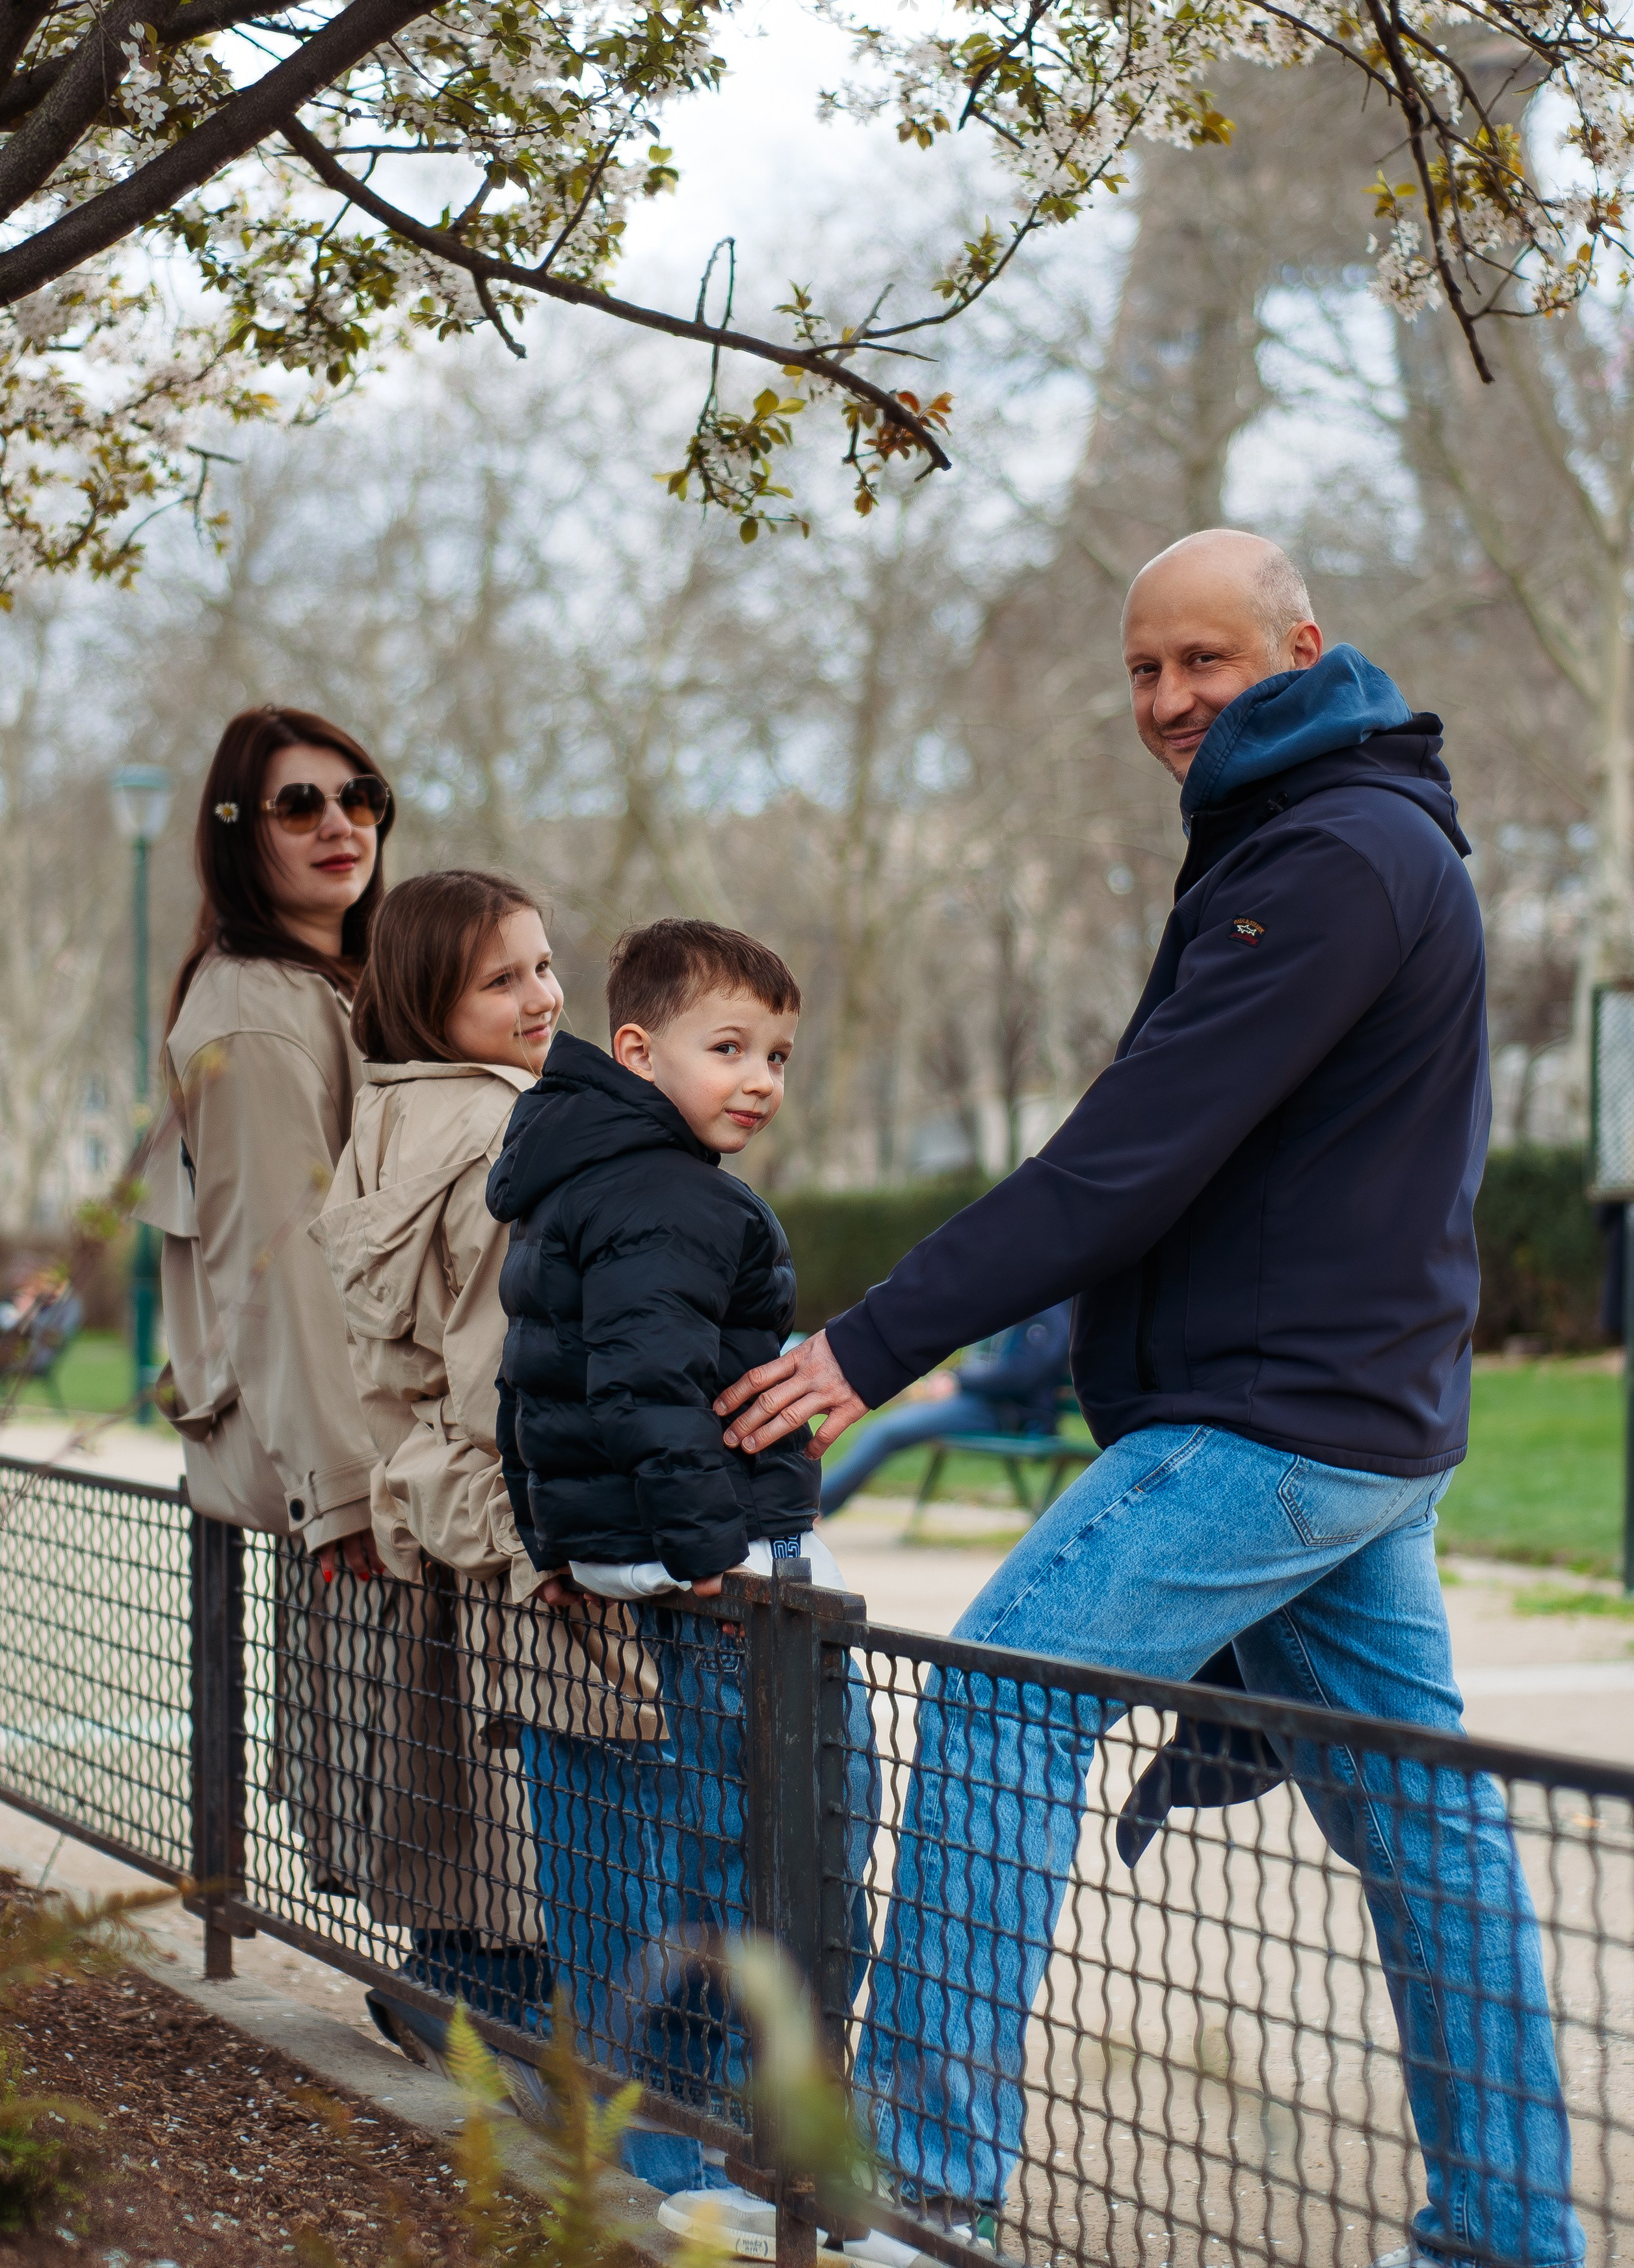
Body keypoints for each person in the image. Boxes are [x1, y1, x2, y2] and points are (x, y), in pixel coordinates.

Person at [717, 531, 1586, 2268]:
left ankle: (912, 2182)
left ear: (1303, 645)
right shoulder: (1316, 831)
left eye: (1208, 659)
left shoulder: (1327, 854)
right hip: (1348, 1416)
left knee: (996, 1705)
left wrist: (868, 1342)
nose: (1171, 697)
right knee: (1429, 1822)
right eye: (1143, 669)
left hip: (1271, 1426)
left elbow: (1125, 1157)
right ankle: (1510, 2234)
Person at [486, 917, 877, 2252]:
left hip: (634, 1558)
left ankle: (679, 2139)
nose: (760, 1076)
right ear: (639, 1049)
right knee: (786, 1858)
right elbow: (639, 1386)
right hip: (715, 1578)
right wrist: (716, 1546)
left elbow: (527, 1388)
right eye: (728, 1048)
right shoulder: (673, 1195)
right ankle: (739, 2156)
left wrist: (554, 1540)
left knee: (687, 1862)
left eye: (775, 1050)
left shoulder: (577, 1178)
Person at [313, 867, 659, 2064]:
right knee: (577, 1780)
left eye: (545, 964)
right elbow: (505, 1360)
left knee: (472, 1779)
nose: (541, 995)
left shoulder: (386, 1121)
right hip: (516, 1504)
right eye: (500, 979)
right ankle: (535, 2037)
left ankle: (458, 1982)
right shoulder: (509, 1134)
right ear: (423, 998)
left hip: (429, 1494)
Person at [144, 705, 392, 1902]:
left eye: (360, 797)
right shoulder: (255, 1017)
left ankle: (473, 1975)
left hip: (384, 1438)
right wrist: (340, 1487)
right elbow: (279, 1263)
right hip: (350, 1455)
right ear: (240, 834)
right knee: (413, 1762)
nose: (342, 824)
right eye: (302, 804)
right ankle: (465, 1982)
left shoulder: (338, 984)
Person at [817, 1301, 1074, 1515]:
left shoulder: (1048, 1313)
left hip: (1006, 1414)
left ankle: (815, 1507)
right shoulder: (1033, 1307)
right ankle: (817, 1504)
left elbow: (1021, 1376)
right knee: (884, 1429)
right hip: (983, 1405)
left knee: (885, 1432)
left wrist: (958, 1380)